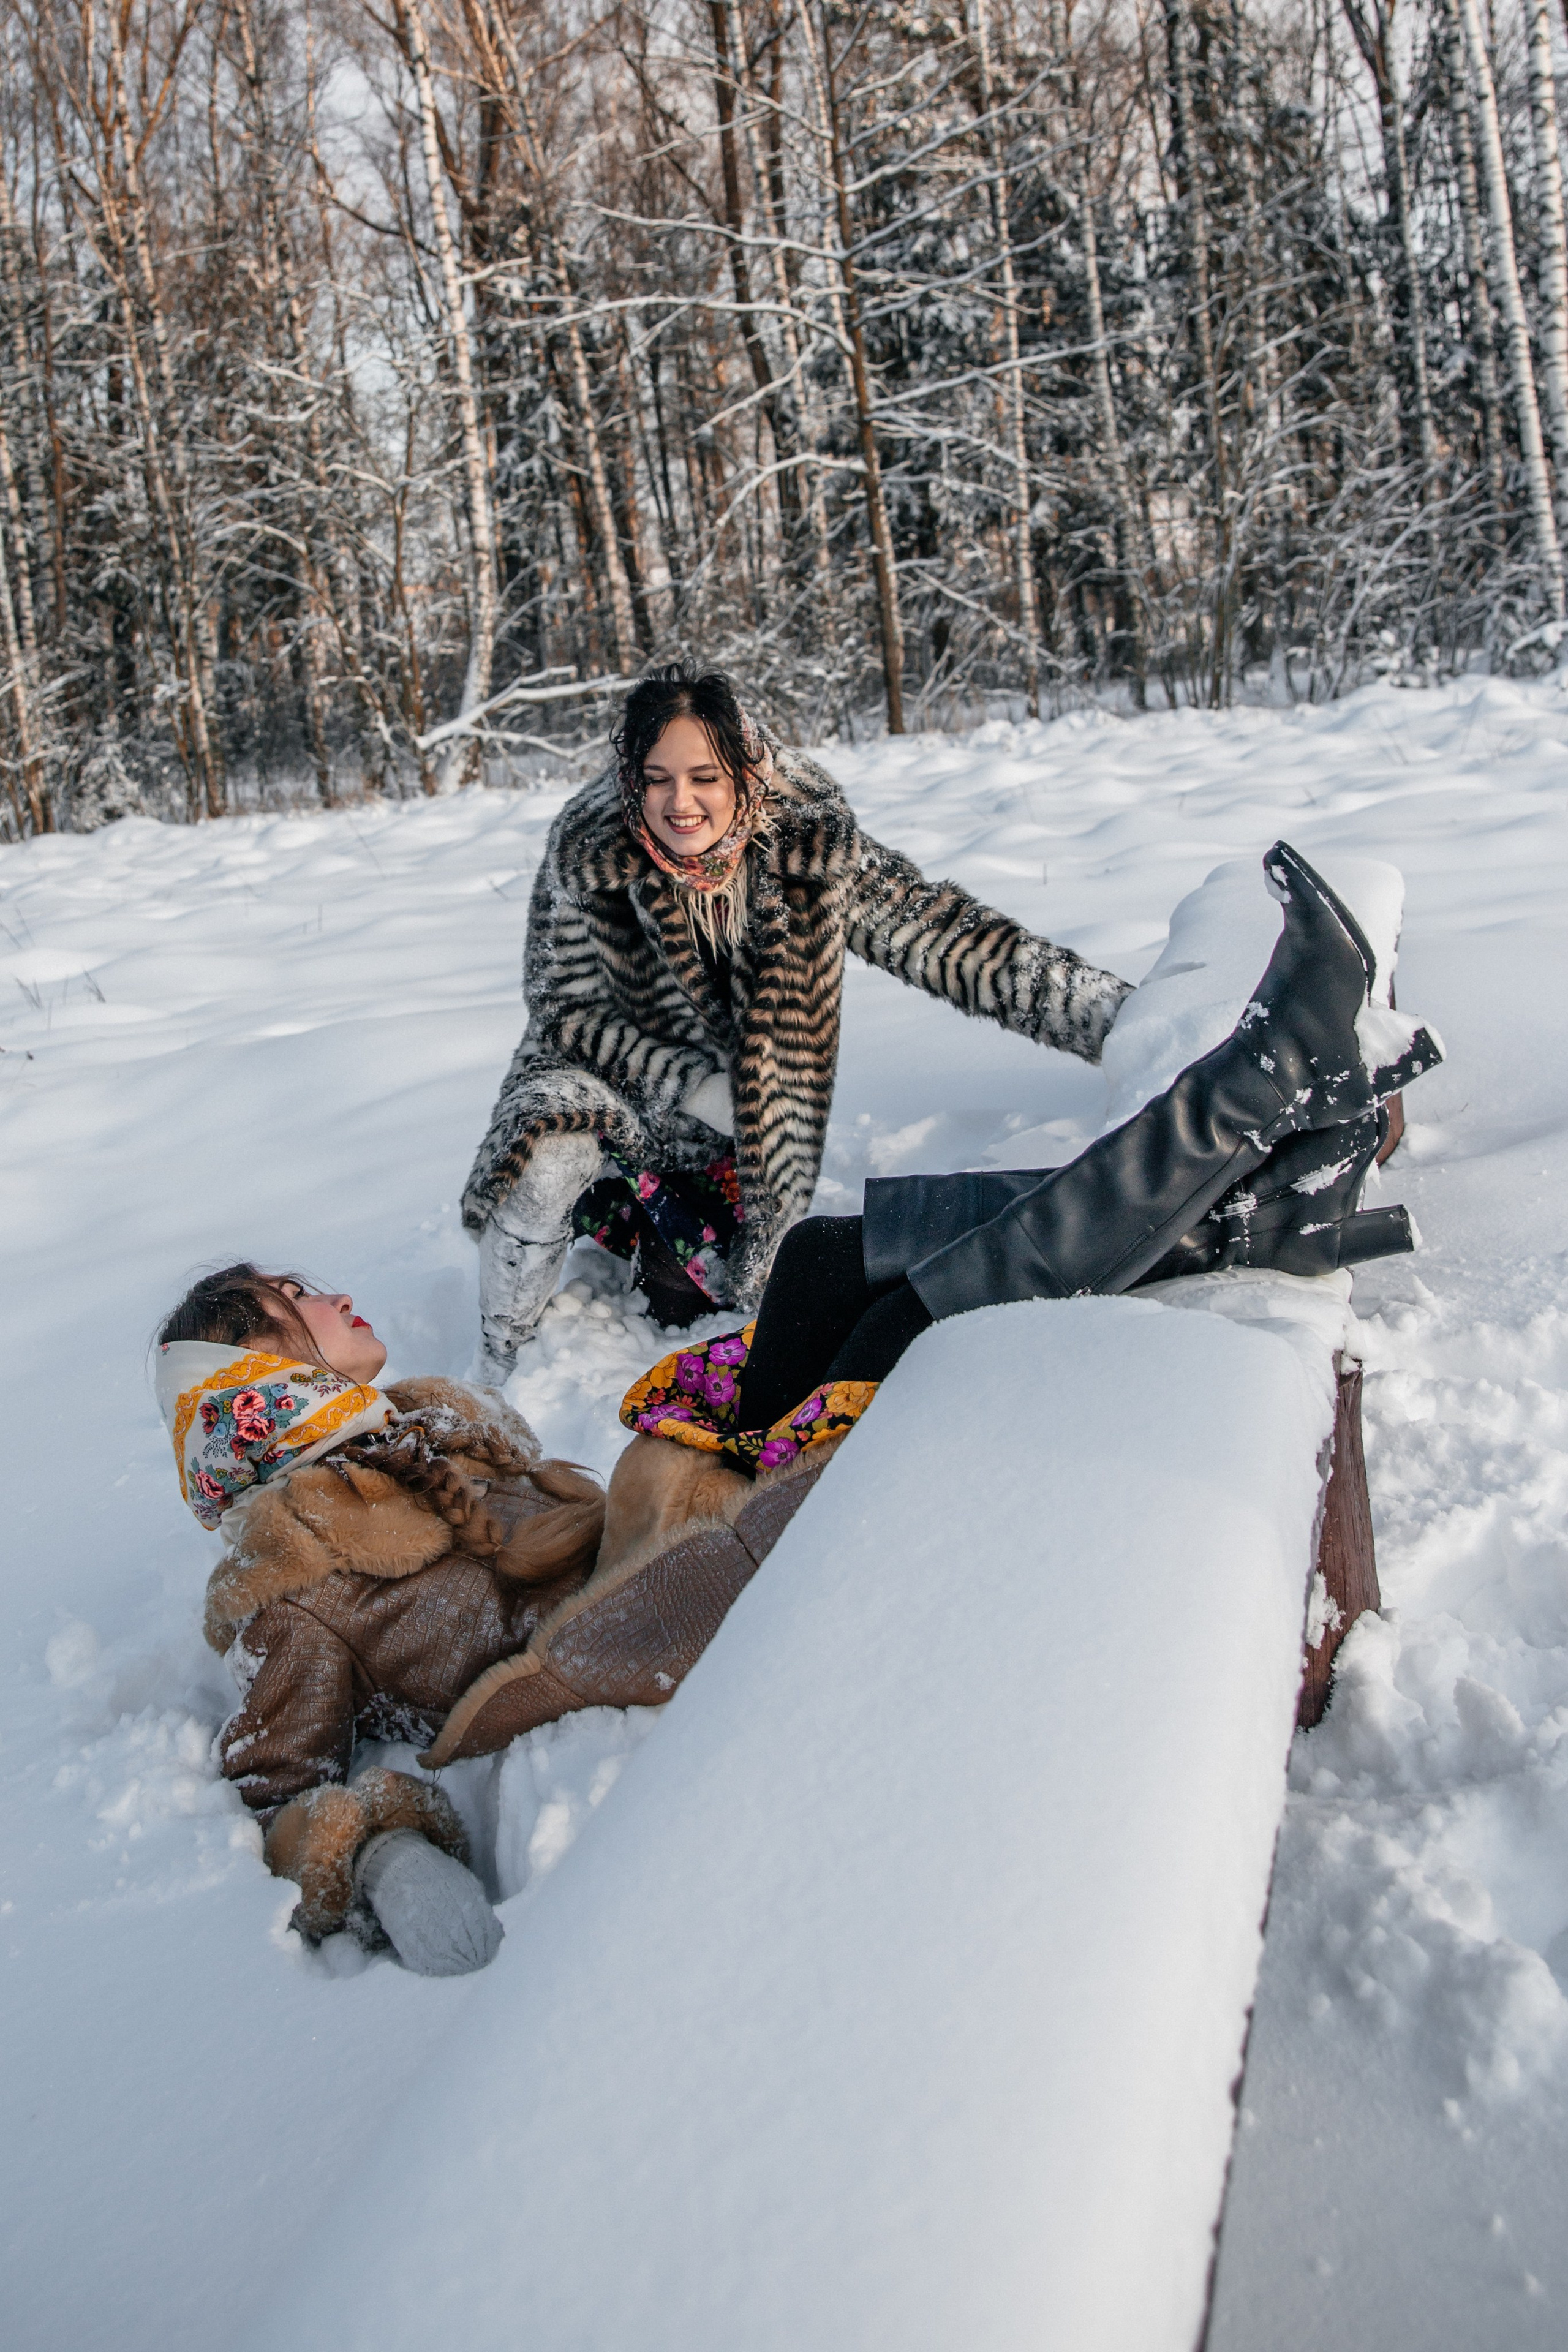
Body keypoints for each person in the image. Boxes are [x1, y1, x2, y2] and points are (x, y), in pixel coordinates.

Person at [464, 663, 1133, 1379]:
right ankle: (505, 1360)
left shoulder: (807, 843)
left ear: (742, 771)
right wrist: (691, 1087)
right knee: (546, 1155)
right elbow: (564, 1010)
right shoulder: (589, 850)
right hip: (603, 1079)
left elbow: (944, 938)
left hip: (742, 1133)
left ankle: (654, 1231)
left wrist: (1121, 1019)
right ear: (631, 778)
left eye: (704, 777)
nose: (678, 802)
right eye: (656, 778)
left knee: (685, 1300)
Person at [154, 1262, 827, 1974]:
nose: (340, 1296)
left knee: (818, 1275)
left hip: (650, 1565)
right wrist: (385, 1859)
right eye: (293, 1302)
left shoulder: (421, 1433)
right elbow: (277, 1792)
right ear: (250, 1380)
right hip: (603, 1641)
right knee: (712, 1450)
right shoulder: (295, 1581)